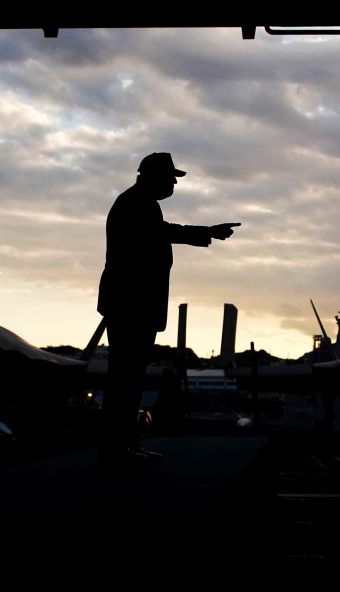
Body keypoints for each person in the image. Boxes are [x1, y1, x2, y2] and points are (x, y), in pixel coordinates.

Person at [97, 152, 239, 467]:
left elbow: (161, 234)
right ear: (152, 176)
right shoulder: (137, 205)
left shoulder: (139, 203)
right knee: (125, 379)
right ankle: (117, 449)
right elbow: (164, 233)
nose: (175, 182)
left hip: (131, 305)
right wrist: (208, 231)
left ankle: (122, 446)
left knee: (127, 379)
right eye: (170, 176)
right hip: (131, 305)